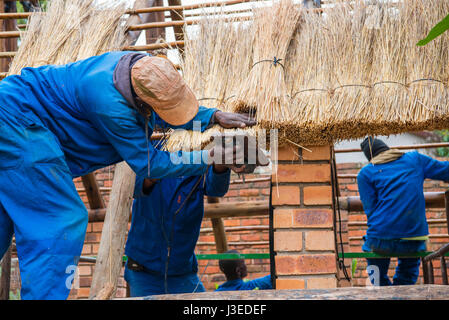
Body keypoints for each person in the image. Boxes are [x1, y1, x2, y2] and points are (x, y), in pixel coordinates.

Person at [0, 51, 256, 299]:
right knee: (62, 219)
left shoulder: (138, 69)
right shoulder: (111, 106)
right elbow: (150, 165)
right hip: (18, 123)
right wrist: (211, 157)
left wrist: (212, 115)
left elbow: (159, 112)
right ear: (141, 101)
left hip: (16, 117)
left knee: (4, 217)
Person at [124, 138, 232, 297]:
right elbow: (136, 186)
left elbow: (216, 188)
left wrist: (220, 164)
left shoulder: (201, 146)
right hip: (143, 271)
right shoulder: (153, 144)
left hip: (182, 272)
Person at [357, 136, 449, 286]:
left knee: (376, 277)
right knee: (406, 278)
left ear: (370, 157)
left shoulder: (366, 173)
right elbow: (445, 170)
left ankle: (383, 291)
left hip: (381, 239)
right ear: (387, 149)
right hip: (413, 238)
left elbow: (370, 209)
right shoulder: (415, 159)